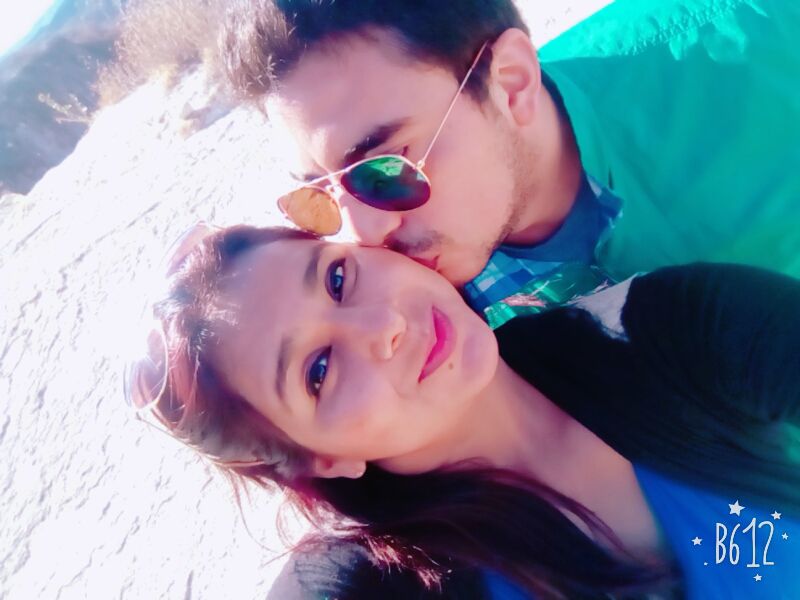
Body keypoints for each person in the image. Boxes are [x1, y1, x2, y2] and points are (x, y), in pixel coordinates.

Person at [126, 224, 800, 599]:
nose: (383, 325)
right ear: (321, 458)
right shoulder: (379, 583)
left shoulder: (668, 331)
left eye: (337, 277)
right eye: (319, 370)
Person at [219, 0, 800, 327]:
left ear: (511, 83)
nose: (362, 234)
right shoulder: (401, 316)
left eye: (385, 169)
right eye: (320, 194)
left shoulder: (766, 47)